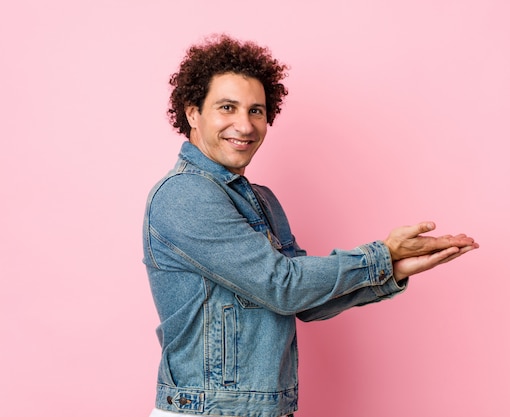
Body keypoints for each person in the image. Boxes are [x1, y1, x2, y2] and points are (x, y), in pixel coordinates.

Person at [143, 34, 478, 417]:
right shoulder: (183, 195)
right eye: (226, 107)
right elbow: (281, 285)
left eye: (256, 110)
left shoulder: (262, 199)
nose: (245, 124)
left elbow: (303, 302)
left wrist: (393, 270)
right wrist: (379, 256)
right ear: (192, 114)